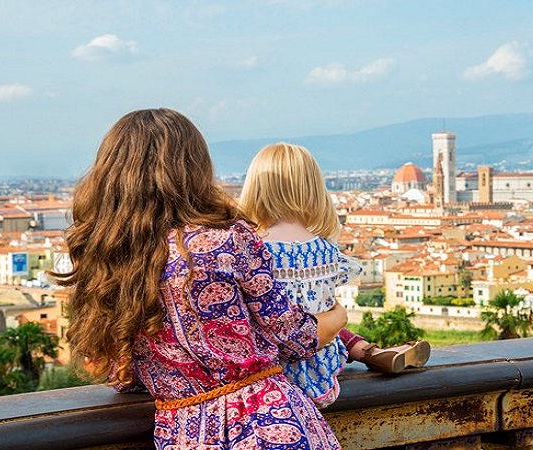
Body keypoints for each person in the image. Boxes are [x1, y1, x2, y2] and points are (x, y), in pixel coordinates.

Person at [54, 109, 346, 449]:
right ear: (193, 168)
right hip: (268, 424)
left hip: (183, 432)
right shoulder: (226, 239)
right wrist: (337, 319)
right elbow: (291, 337)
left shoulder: (108, 261)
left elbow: (119, 374)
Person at [240, 142, 430, 408]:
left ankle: (370, 352)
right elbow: (326, 309)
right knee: (323, 316)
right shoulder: (327, 250)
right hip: (321, 367)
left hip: (274, 368)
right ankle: (370, 351)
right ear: (313, 188)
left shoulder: (250, 248)